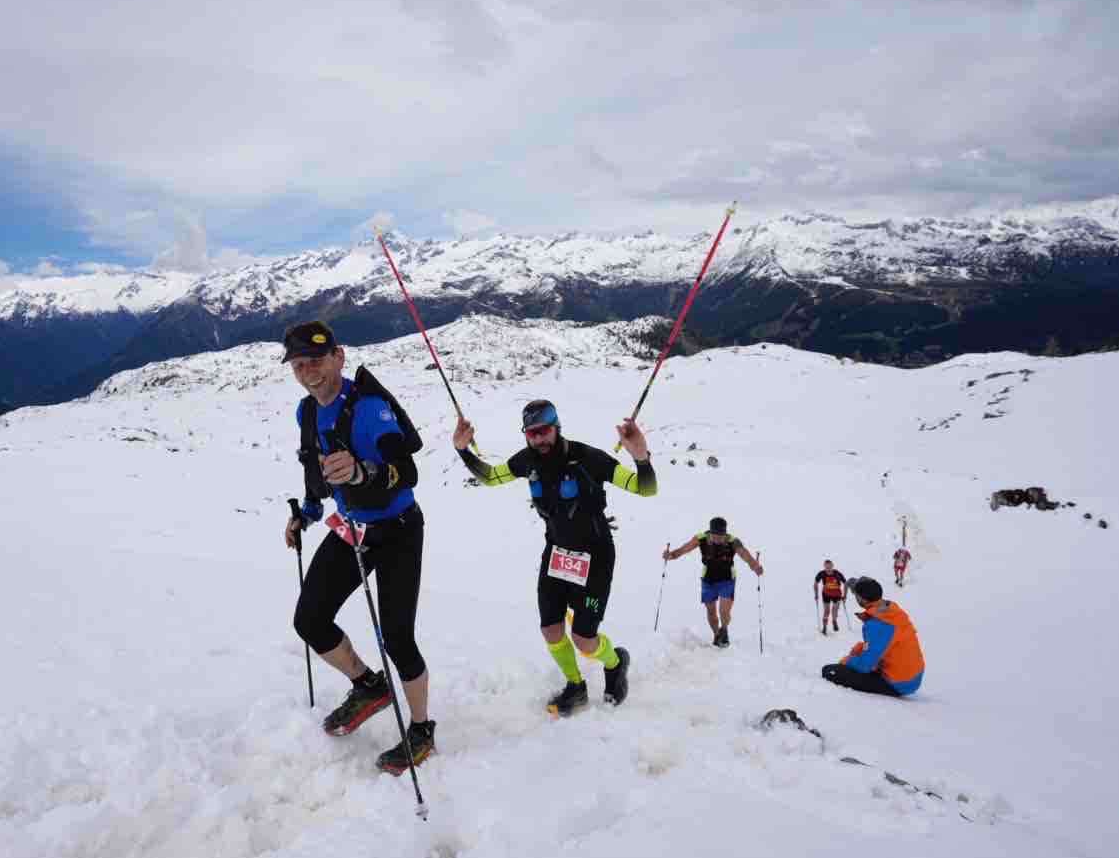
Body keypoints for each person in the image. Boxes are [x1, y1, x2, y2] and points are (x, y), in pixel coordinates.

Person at [281, 320, 434, 774]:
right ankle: (369, 686)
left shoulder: (369, 408)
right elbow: (317, 471)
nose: (309, 372)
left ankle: (423, 728)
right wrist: (306, 513)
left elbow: (407, 473)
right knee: (309, 619)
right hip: (352, 528)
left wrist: (364, 472)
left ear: (339, 357)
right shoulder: (306, 413)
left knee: (398, 638)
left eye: (317, 360)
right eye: (299, 364)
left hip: (399, 529)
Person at [452, 399, 655, 716]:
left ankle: (616, 663)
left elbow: (645, 489)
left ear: (557, 427)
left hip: (596, 555)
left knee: (584, 640)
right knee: (551, 629)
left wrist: (641, 457)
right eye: (531, 433)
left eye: (543, 431)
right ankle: (576, 686)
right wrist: (463, 451)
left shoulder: (588, 458)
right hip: (557, 553)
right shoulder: (526, 461)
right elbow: (492, 477)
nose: (538, 439)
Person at [662, 517, 763, 646]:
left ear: (725, 534)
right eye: (715, 535)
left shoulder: (733, 541)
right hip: (708, 580)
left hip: (727, 580)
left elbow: (745, 555)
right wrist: (670, 555)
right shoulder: (701, 538)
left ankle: (724, 630)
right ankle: (716, 634)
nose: (717, 539)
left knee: (724, 612)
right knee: (711, 611)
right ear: (710, 532)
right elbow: (682, 550)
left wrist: (755, 567)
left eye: (721, 536)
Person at [821, 577, 924, 696]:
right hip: (913, 675)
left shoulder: (877, 625)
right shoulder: (890, 609)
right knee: (859, 655)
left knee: (829, 671)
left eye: (856, 595)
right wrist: (860, 648)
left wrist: (847, 660)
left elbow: (865, 666)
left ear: (861, 599)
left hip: (899, 683)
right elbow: (884, 643)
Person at [813, 559, 848, 634]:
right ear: (824, 567)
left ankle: (834, 621)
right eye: (826, 567)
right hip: (826, 594)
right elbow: (815, 583)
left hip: (837, 594)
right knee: (827, 611)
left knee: (835, 610)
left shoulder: (837, 574)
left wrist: (845, 595)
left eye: (829, 567)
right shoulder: (821, 574)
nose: (828, 569)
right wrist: (816, 594)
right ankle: (824, 627)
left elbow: (846, 583)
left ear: (832, 566)